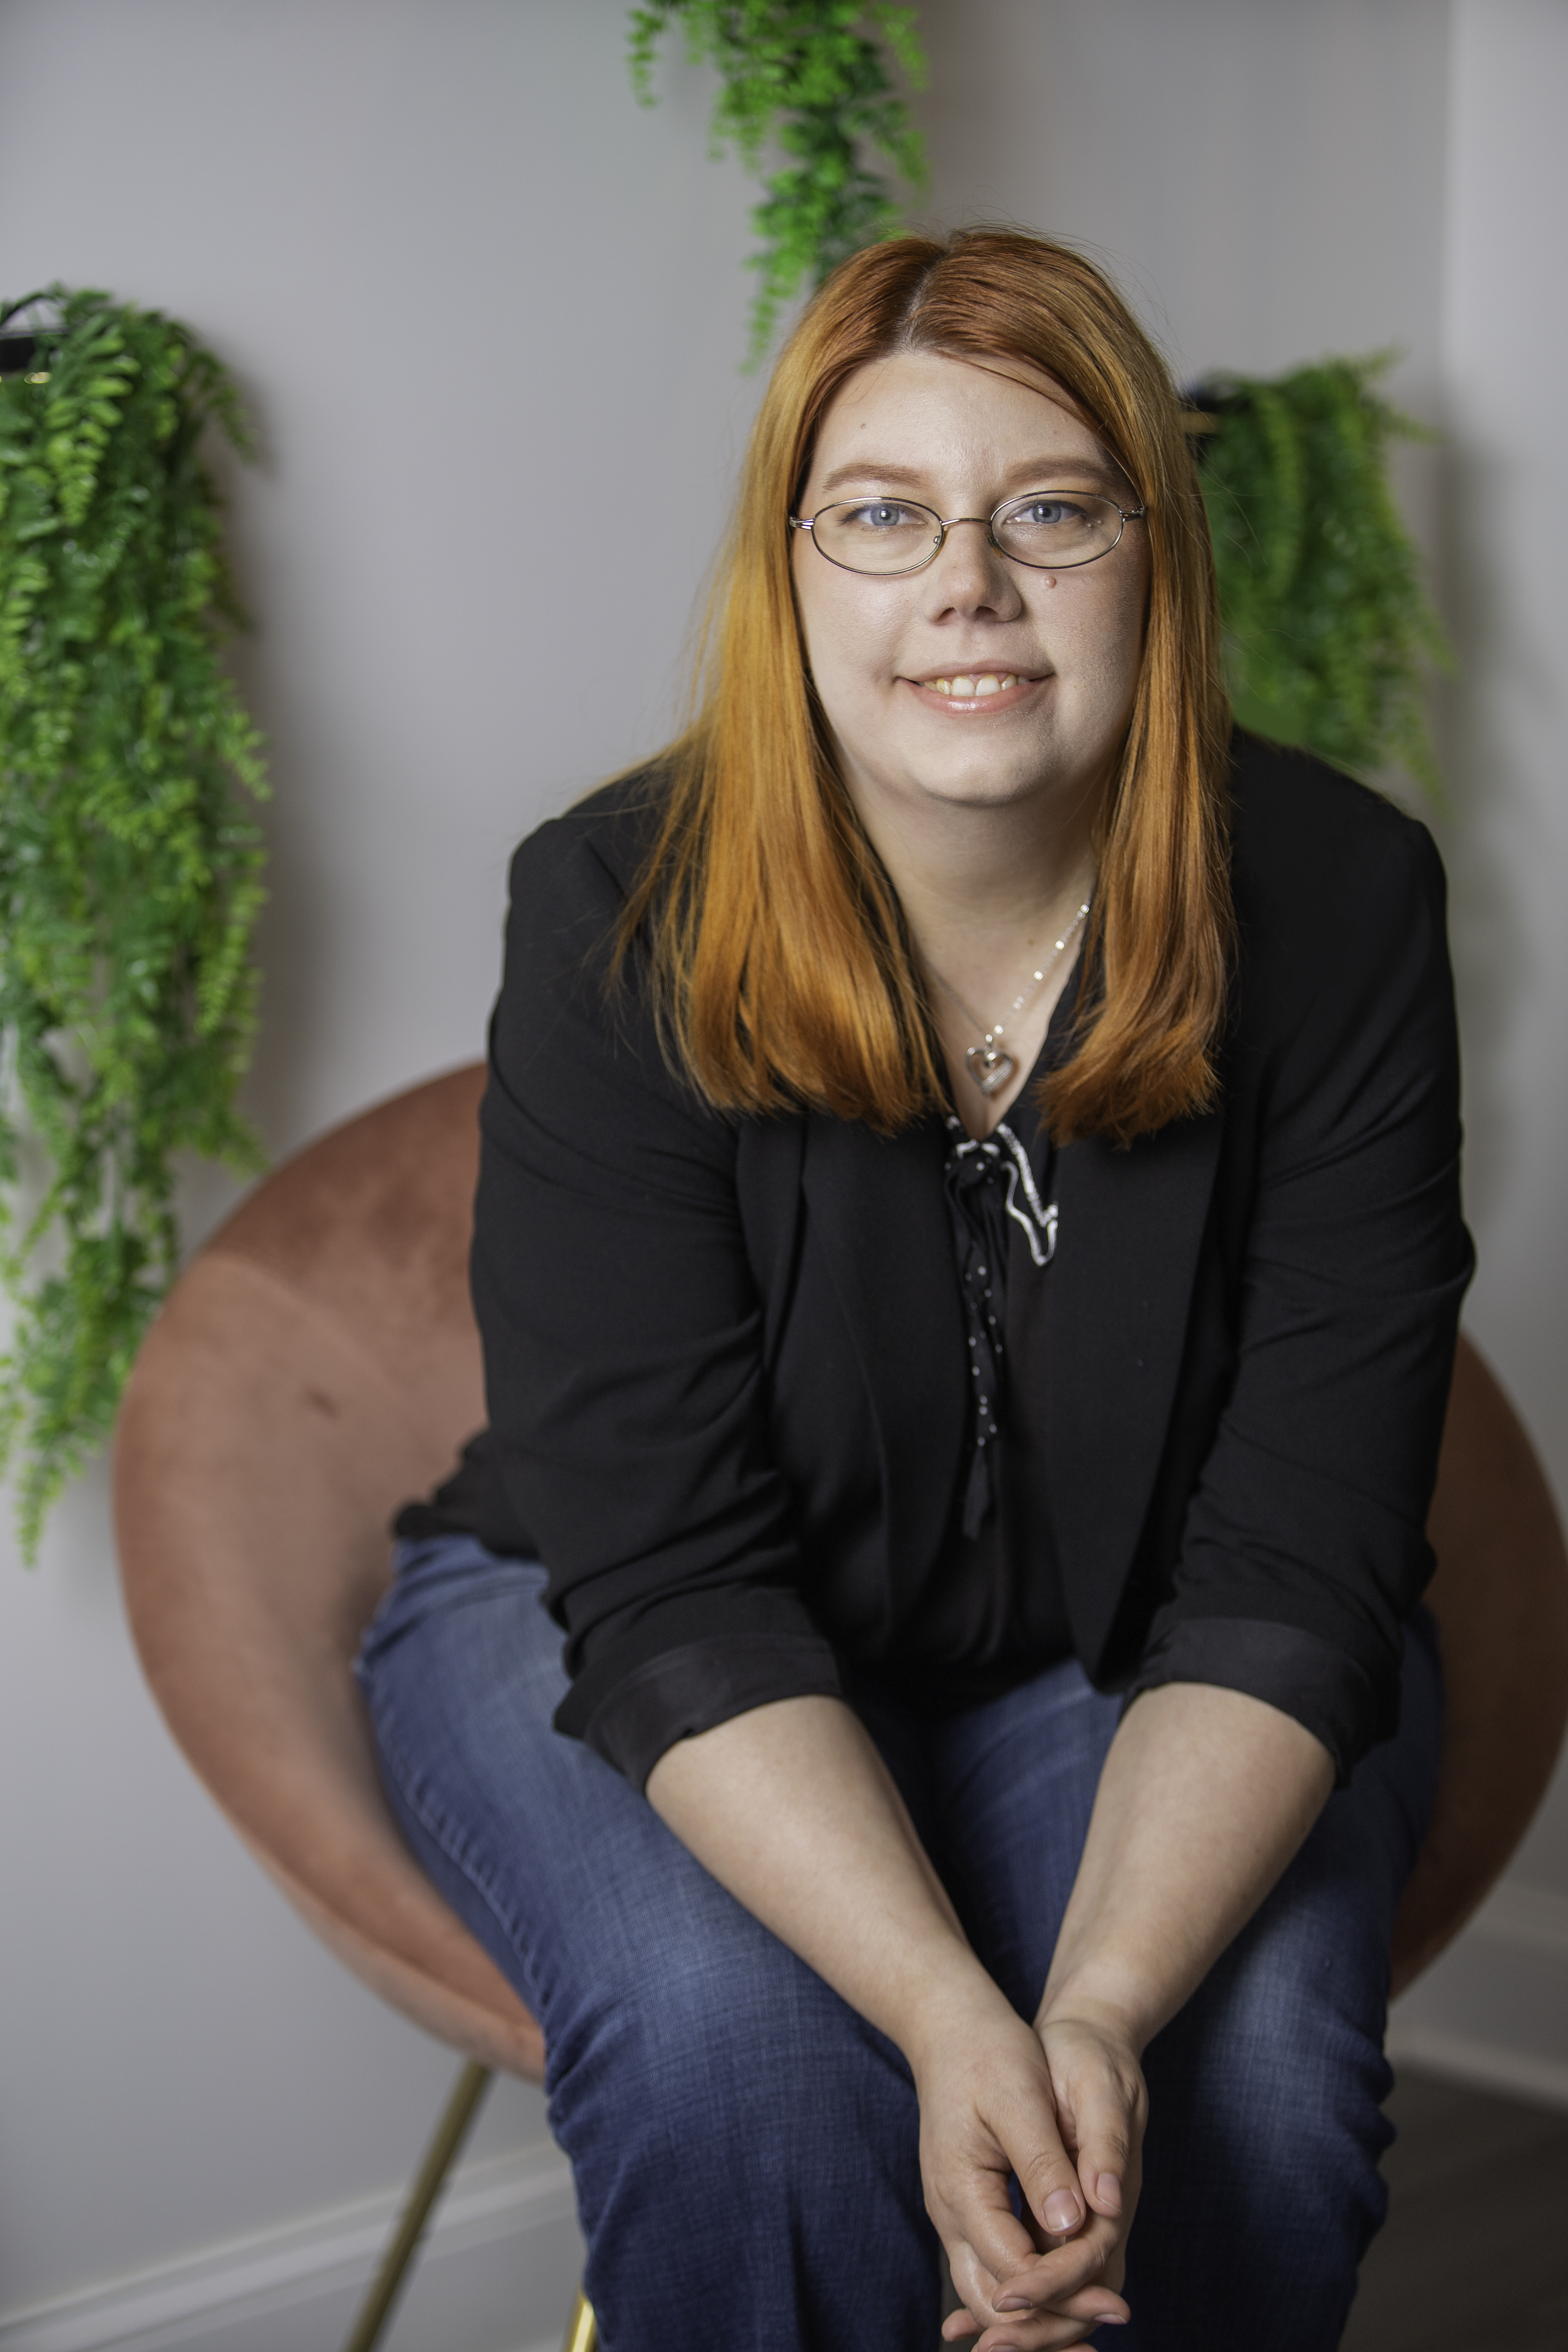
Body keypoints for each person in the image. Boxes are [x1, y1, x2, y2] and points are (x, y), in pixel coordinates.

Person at [356, 229, 1471, 2351]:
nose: (966, 584)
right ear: (796, 570)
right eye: (883, 515)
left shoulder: (1336, 906)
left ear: (1157, 552)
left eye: (1049, 508)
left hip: (1132, 1630)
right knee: (745, 2073)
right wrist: (958, 2016)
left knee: (1238, 2087)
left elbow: (1304, 1551)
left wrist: (1103, 2012)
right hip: (627, 1610)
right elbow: (669, 1569)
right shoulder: (610, 911)